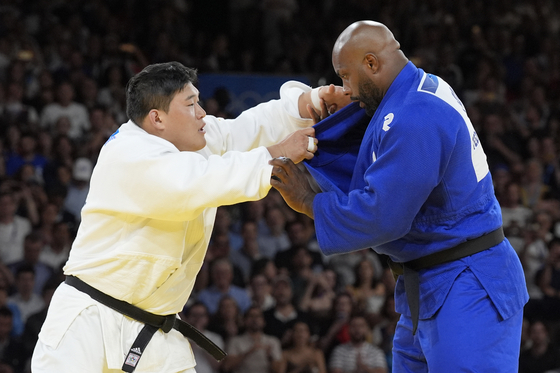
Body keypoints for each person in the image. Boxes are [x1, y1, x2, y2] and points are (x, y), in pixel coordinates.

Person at [31, 61, 350, 373]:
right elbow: (201, 181)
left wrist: (309, 101)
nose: (202, 113)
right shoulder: (129, 155)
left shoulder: (187, 138)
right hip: (88, 325)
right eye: (191, 104)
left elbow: (244, 129)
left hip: (155, 331)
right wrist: (278, 152)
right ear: (157, 118)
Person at [269, 21, 528, 372]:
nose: (346, 89)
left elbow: (383, 216)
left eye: (346, 76)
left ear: (372, 64)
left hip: (466, 284)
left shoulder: (415, 115)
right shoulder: (417, 90)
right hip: (429, 283)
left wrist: (308, 201)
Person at [222, 305, 283, 373]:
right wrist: (249, 351)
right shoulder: (235, 341)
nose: (255, 319)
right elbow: (227, 366)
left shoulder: (273, 341)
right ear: (244, 321)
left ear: (263, 322)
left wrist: (270, 357)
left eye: (258, 316)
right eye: (251, 316)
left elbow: (279, 370)